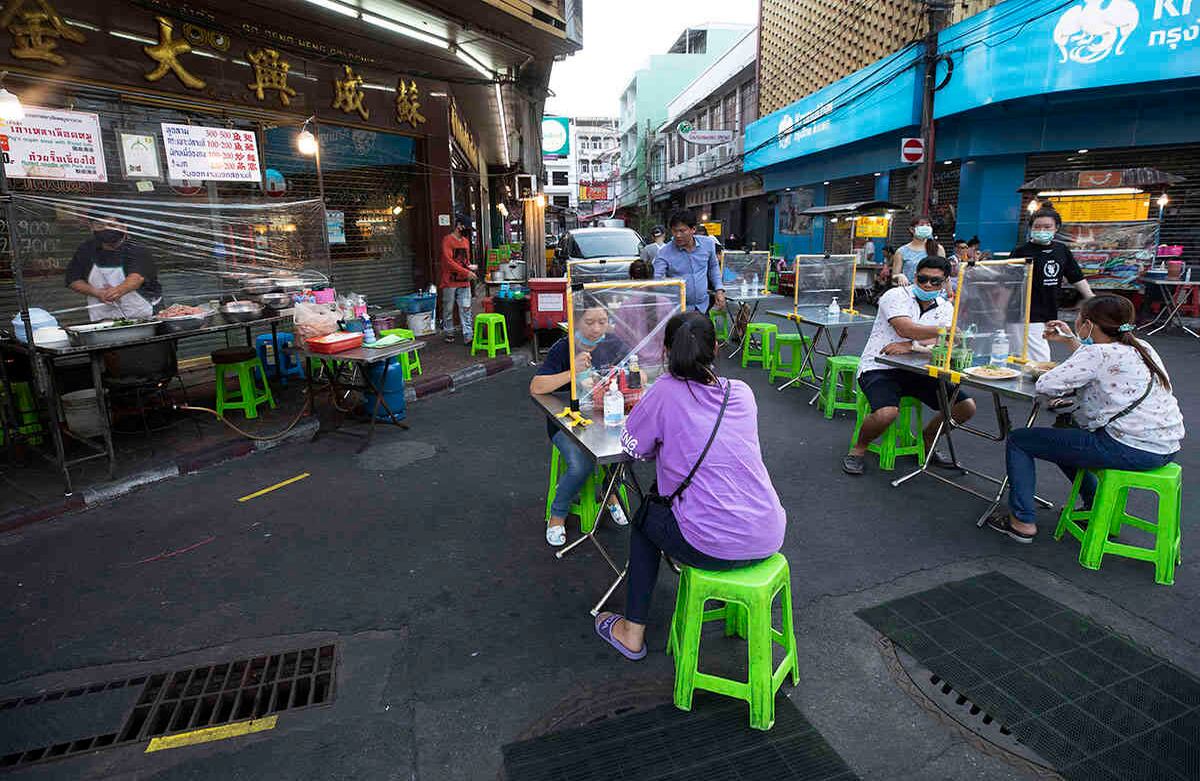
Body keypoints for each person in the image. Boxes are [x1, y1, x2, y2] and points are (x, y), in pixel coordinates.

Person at [594, 311, 786, 659]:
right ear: (715, 346)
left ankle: (631, 632)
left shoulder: (664, 392)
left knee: (643, 523)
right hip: (768, 533)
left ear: (666, 351)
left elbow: (633, 447)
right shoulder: (742, 393)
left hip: (710, 544)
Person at [987, 295, 1184, 543]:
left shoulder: (1097, 354)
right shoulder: (1143, 347)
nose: (1076, 321)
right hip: (1165, 447)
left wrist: (1073, 348)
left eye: (1079, 318)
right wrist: (1072, 340)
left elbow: (1047, 384)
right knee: (1065, 428)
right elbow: (1103, 365)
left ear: (1088, 325)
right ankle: (1093, 503)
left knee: (1019, 440)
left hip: (1129, 449)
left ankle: (1022, 522)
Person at [843, 256, 976, 475]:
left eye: (935, 281)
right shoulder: (895, 296)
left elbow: (940, 342)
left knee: (965, 407)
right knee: (887, 413)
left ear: (944, 284)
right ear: (915, 276)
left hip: (919, 370)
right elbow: (905, 328)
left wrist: (912, 345)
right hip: (879, 367)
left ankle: (928, 439)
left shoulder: (944, 307)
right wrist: (940, 333)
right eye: (923, 279)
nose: (928, 285)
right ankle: (858, 449)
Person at [530, 296, 629, 547]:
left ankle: (610, 494)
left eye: (602, 322)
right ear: (576, 321)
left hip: (606, 416)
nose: (596, 329)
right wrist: (572, 370)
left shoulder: (615, 344)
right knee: (580, 464)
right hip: (568, 423)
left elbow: (636, 370)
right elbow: (536, 387)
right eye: (589, 322)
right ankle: (558, 513)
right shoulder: (564, 348)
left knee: (629, 450)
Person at [1007, 208, 1094, 363]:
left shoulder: (1061, 250)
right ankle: (1039, 384)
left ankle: (1028, 383)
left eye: (1047, 227)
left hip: (1049, 311)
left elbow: (1076, 276)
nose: (1041, 230)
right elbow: (1007, 282)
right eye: (1037, 227)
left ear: (1056, 228)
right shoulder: (1021, 252)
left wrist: (1093, 300)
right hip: (1024, 312)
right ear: (1031, 228)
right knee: (1039, 358)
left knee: (1025, 356)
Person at [66, 216, 162, 321]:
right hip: (102, 319)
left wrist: (117, 291)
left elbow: (136, 278)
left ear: (124, 226)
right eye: (99, 225)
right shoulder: (86, 249)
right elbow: (73, 280)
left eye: (112, 225)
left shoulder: (136, 249)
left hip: (142, 316)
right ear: (91, 227)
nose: (106, 229)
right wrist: (97, 293)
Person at [653, 210, 725, 313]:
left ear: (693, 229)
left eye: (682, 231)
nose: (677, 235)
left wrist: (719, 290)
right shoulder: (664, 253)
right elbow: (656, 280)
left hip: (703, 307)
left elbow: (713, 267)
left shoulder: (708, 244)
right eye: (674, 231)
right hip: (678, 310)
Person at [439, 214, 477, 344]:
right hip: (450, 281)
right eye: (466, 228)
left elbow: (465, 261)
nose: (467, 231)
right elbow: (449, 262)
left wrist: (470, 266)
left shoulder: (466, 242)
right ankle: (449, 332)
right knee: (448, 309)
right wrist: (467, 272)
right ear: (459, 226)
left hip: (464, 281)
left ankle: (468, 335)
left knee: (466, 308)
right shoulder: (447, 240)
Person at [891, 216, 945, 287]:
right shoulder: (901, 251)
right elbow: (893, 278)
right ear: (912, 229)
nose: (925, 227)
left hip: (932, 291)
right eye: (922, 225)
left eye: (928, 225)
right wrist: (899, 276)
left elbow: (944, 274)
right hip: (909, 292)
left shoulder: (938, 249)